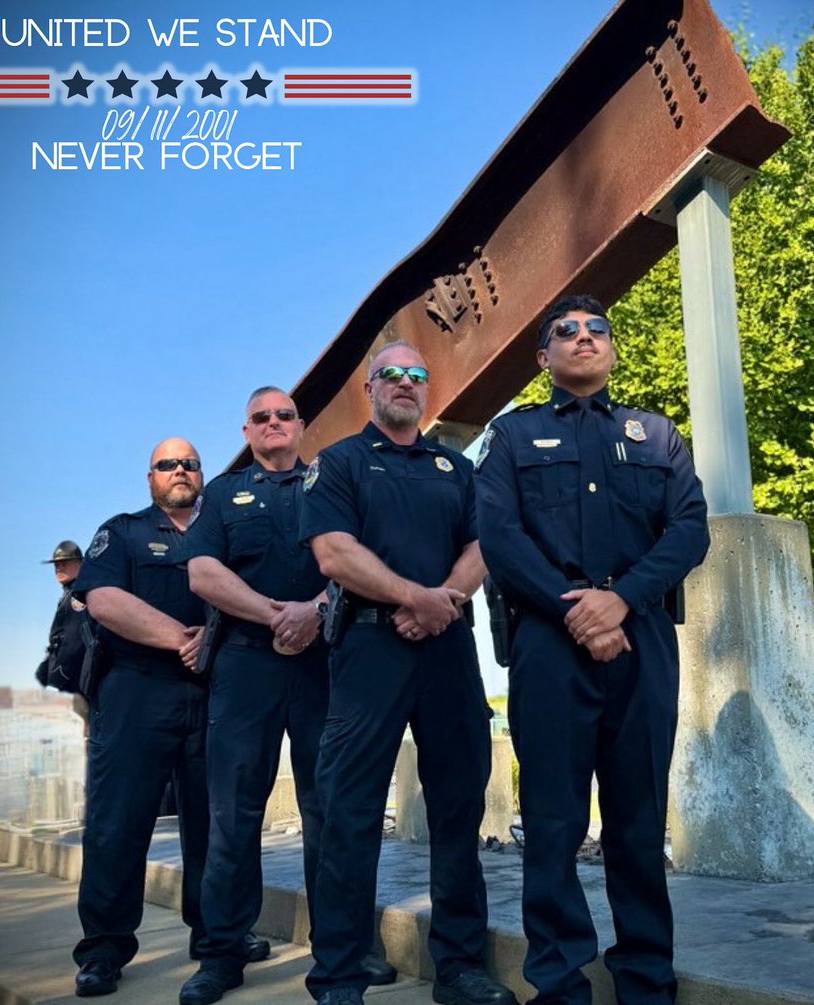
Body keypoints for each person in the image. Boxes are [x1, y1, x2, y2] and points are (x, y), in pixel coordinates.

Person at [474, 295, 710, 1005]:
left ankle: (644, 978)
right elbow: (499, 535)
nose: (584, 339)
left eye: (596, 330)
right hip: (551, 641)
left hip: (640, 638)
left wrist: (622, 598)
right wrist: (576, 608)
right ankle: (558, 983)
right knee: (553, 820)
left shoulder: (659, 434)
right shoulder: (511, 438)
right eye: (565, 333)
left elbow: (689, 528)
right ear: (543, 356)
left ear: (612, 348)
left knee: (639, 820)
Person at [300, 343, 515, 1005]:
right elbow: (334, 552)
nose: (404, 383)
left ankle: (459, 967)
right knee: (349, 812)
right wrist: (409, 596)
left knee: (458, 808)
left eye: (416, 375)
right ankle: (339, 971)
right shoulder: (338, 463)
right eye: (390, 373)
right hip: (369, 649)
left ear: (428, 391)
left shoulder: (456, 467)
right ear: (370, 388)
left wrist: (440, 600)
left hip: (448, 649)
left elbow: (485, 545)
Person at [178, 387, 382, 1005]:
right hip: (246, 667)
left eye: (284, 415)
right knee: (232, 813)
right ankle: (221, 953)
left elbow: (359, 558)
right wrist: (277, 615)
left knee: (332, 809)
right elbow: (202, 572)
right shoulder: (221, 494)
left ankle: (343, 949)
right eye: (261, 417)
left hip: (325, 663)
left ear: (300, 426)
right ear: (247, 429)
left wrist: (316, 612)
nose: (273, 424)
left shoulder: (334, 481)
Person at [71, 438, 210, 998]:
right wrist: (182, 639)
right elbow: (103, 599)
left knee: (216, 824)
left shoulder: (220, 530)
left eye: (190, 463)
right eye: (167, 464)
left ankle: (217, 935)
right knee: (118, 824)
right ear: (149, 477)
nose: (180, 470)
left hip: (212, 693)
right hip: (135, 690)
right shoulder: (123, 532)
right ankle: (103, 949)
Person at [35, 539, 91, 724]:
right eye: (56, 564)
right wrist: (44, 671)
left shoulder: (78, 595)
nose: (58, 567)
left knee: (80, 739)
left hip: (75, 683)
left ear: (80, 563)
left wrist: (56, 680)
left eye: (65, 562)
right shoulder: (69, 594)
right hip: (70, 684)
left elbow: (74, 642)